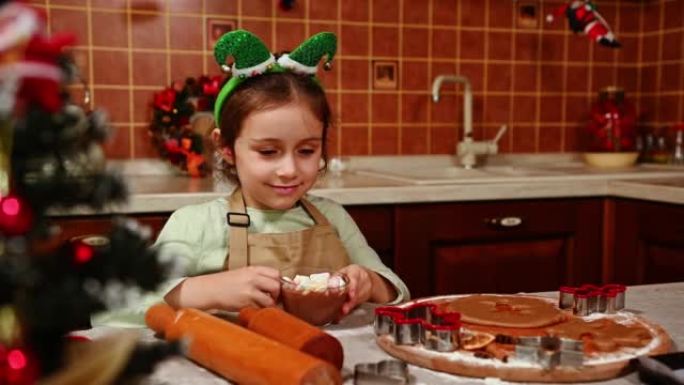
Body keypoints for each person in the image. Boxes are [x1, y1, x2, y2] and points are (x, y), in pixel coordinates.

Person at [93, 30, 409, 326]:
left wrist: (370, 283)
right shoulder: (197, 225)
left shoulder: (332, 218)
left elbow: (398, 293)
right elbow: (114, 309)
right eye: (268, 152)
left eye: (306, 150)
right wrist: (207, 290)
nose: (289, 169)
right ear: (226, 147)